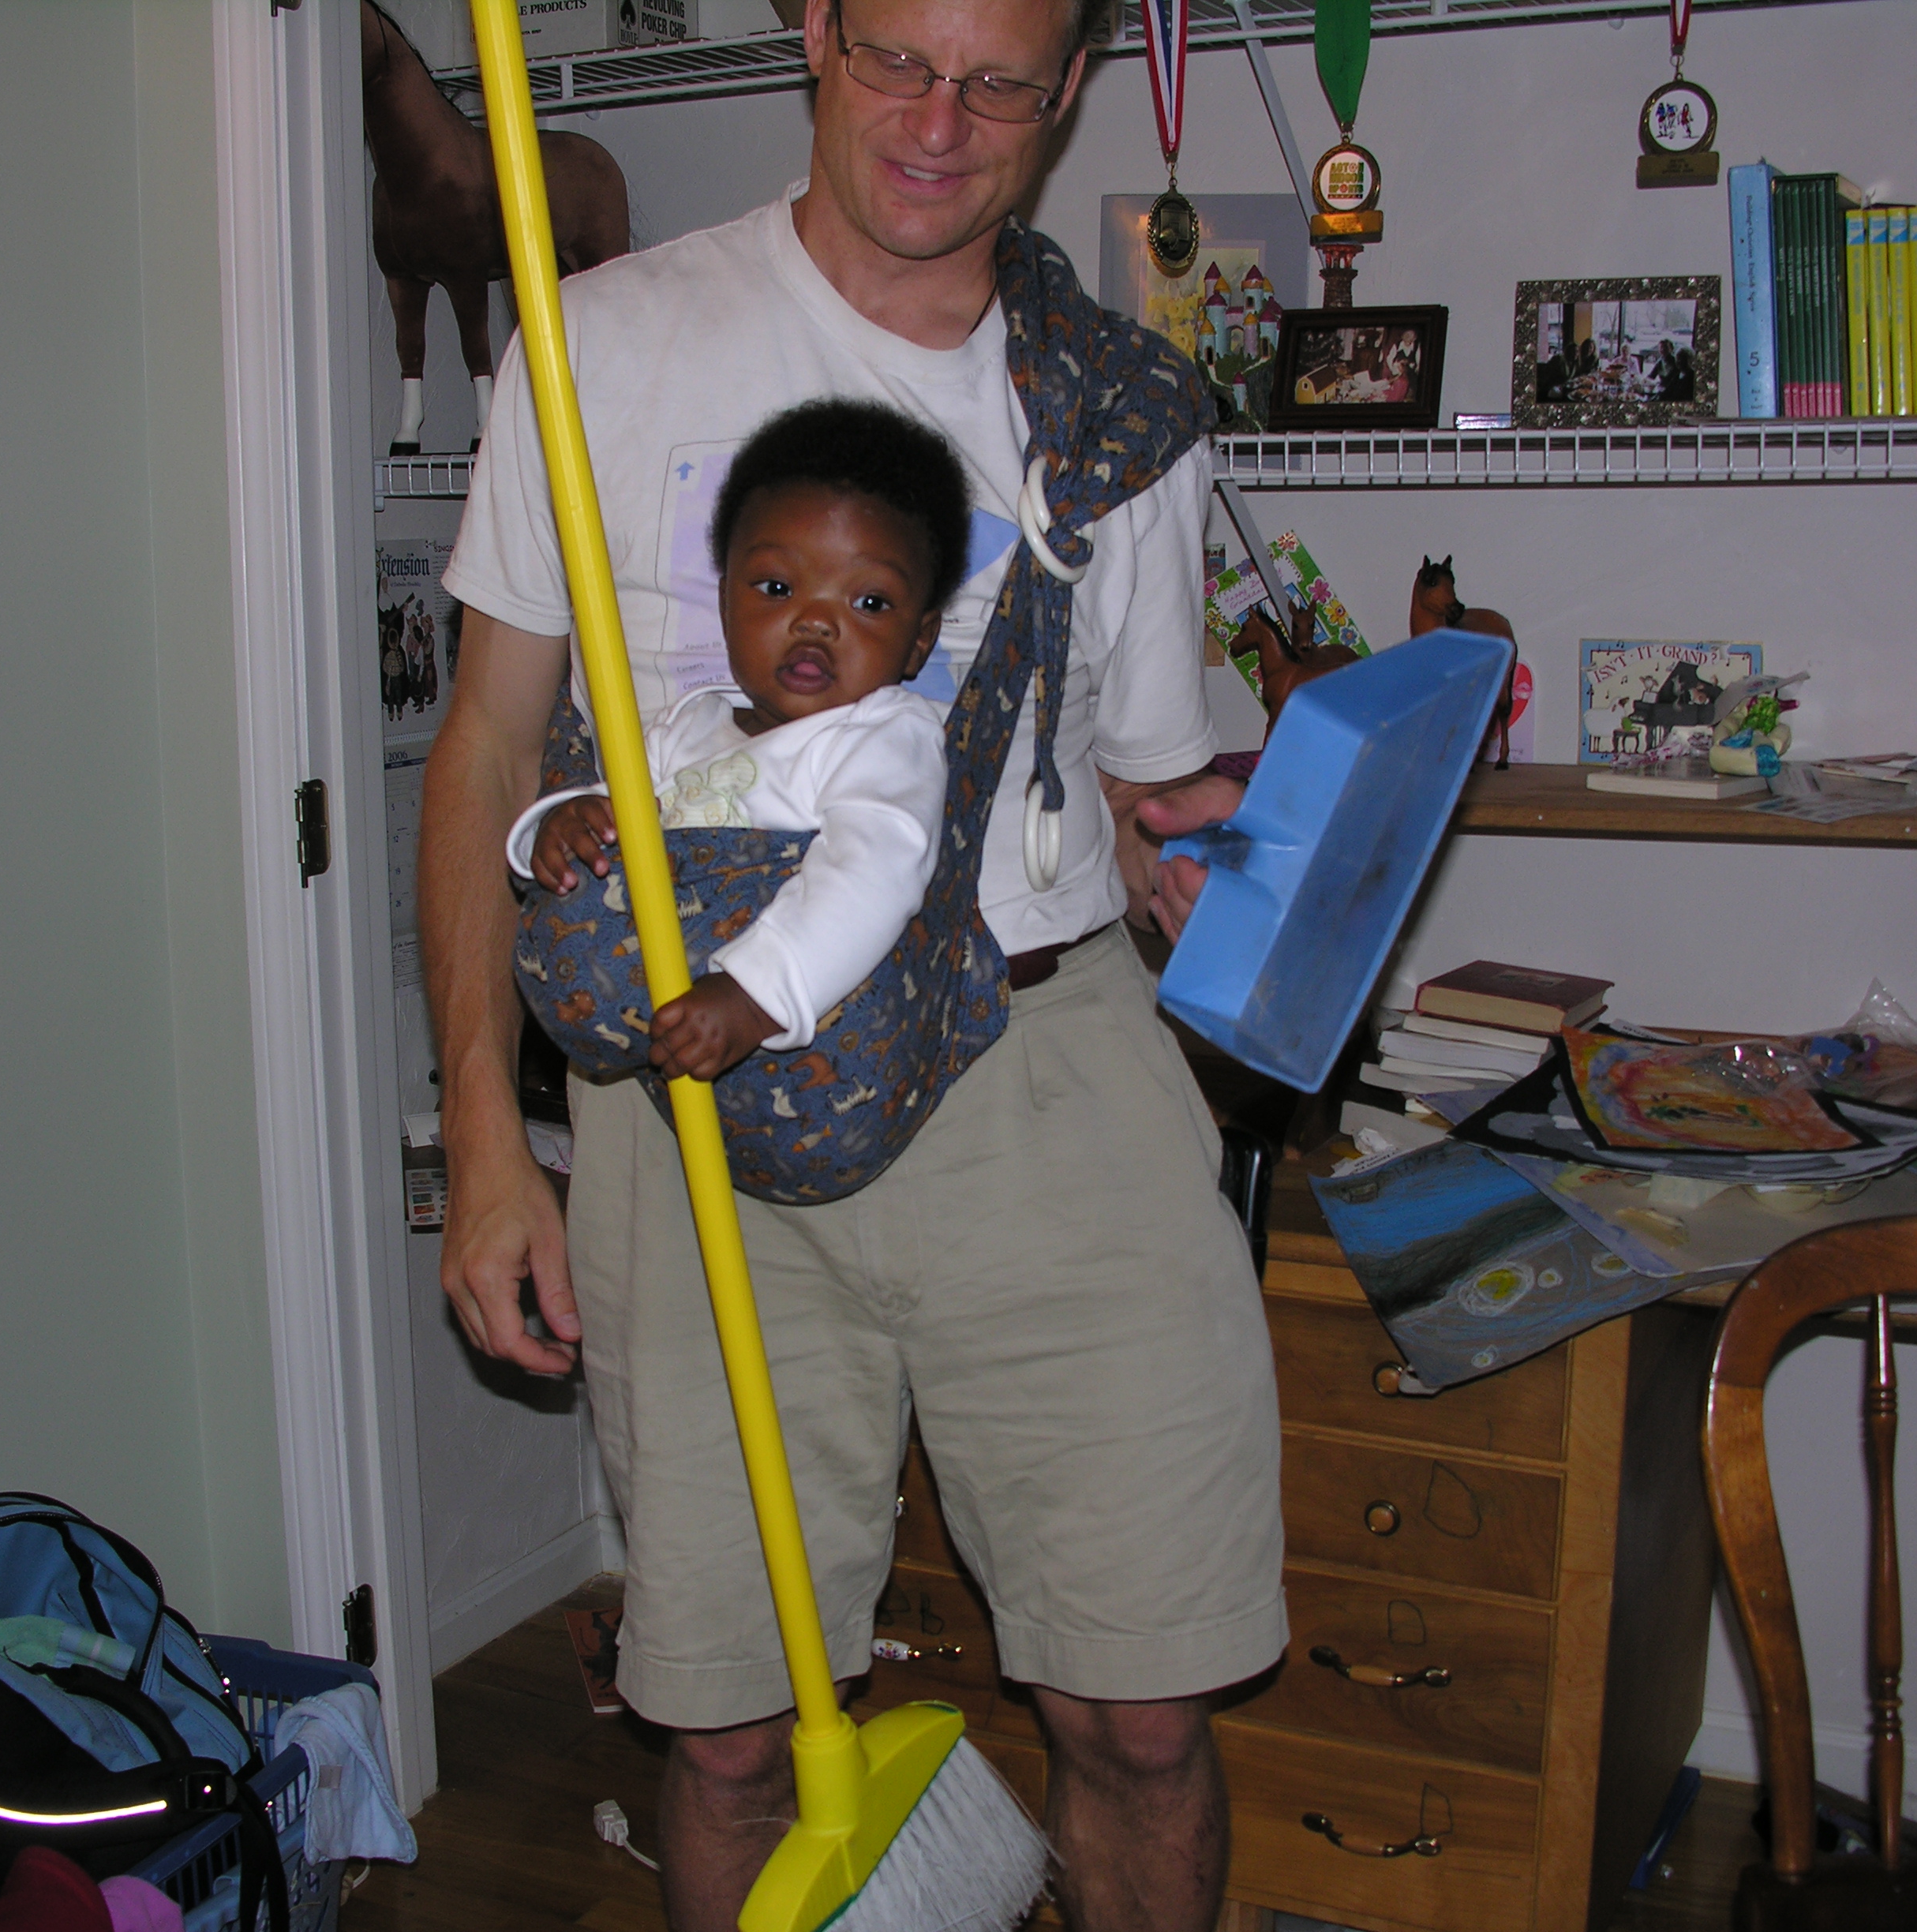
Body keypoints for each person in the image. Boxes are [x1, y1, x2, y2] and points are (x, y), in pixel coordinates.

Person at [418, 0, 1276, 1924]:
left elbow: (1148, 780)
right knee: (728, 1725)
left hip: (1038, 1070)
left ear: (1067, 92)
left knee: (1141, 1706)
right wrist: (484, 1133)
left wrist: (1252, 860)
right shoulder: (598, 344)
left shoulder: (1114, 408)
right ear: (814, 28)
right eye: (896, 57)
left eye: (996, 81)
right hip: (693, 1093)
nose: (938, 122)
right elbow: (485, 745)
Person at [512, 398, 964, 1080]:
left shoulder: (883, 737)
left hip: (792, 1040)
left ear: (920, 641)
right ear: (725, 604)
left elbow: (872, 873)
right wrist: (556, 828)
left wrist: (756, 997)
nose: (815, 622)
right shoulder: (686, 728)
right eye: (777, 587)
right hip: (664, 1060)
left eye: (869, 602)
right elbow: (603, 824)